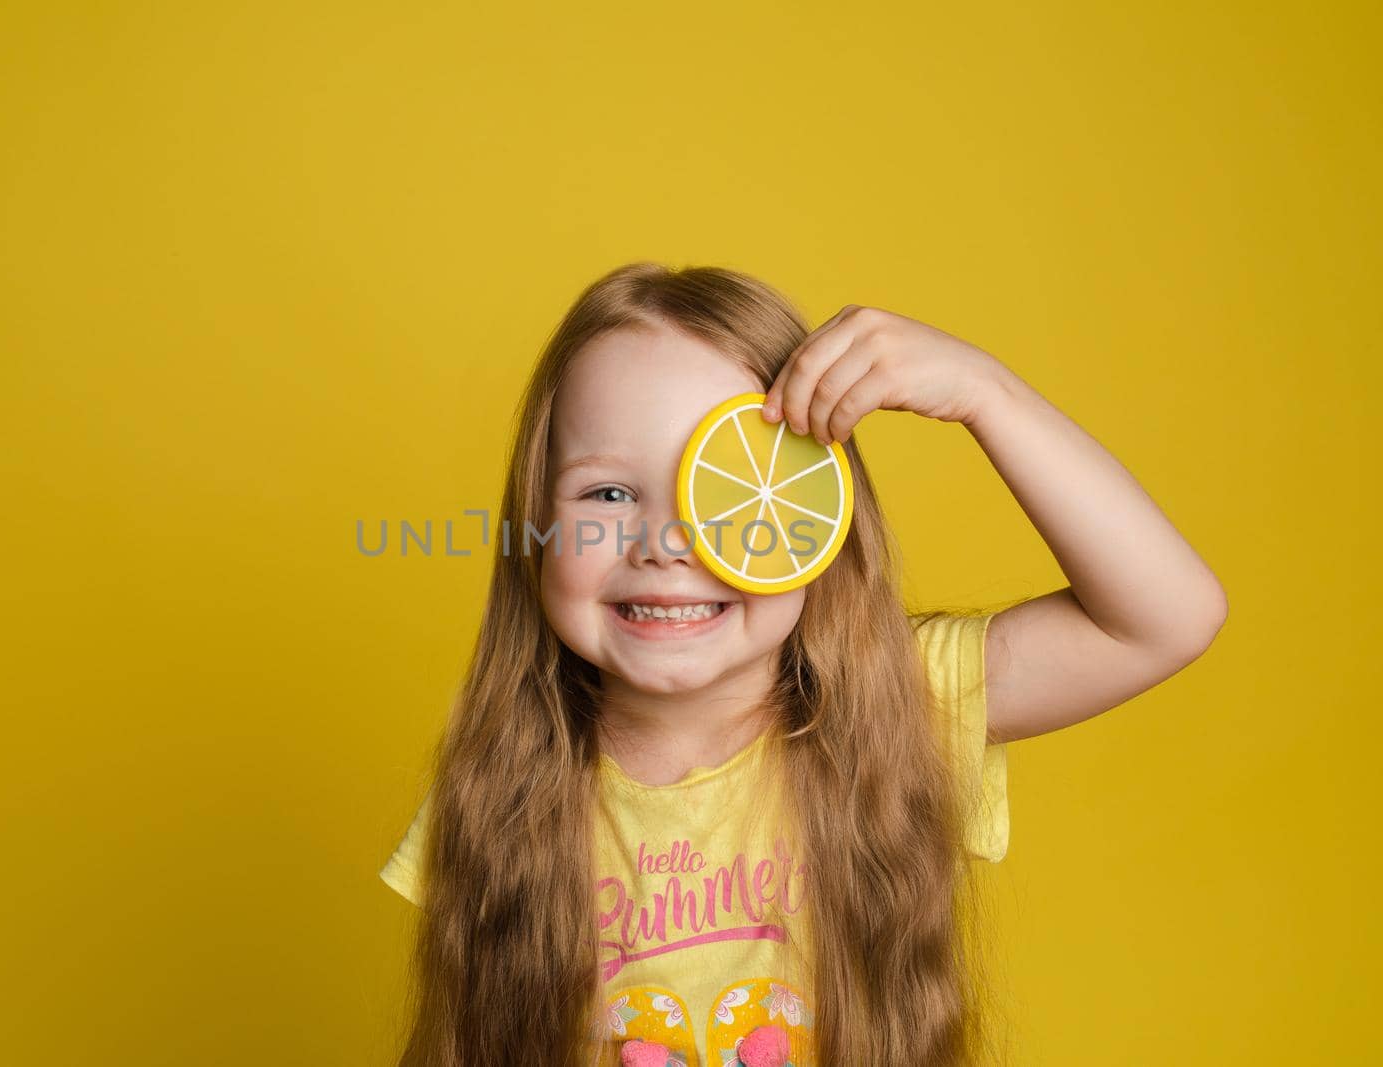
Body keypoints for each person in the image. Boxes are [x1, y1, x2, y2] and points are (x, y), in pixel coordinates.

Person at [377, 262, 1228, 1066]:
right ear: (537, 525)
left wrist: (984, 394)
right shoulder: (504, 784)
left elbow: (1168, 617)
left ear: (819, 520)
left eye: (726, 491)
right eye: (608, 493)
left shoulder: (901, 704)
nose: (667, 543)